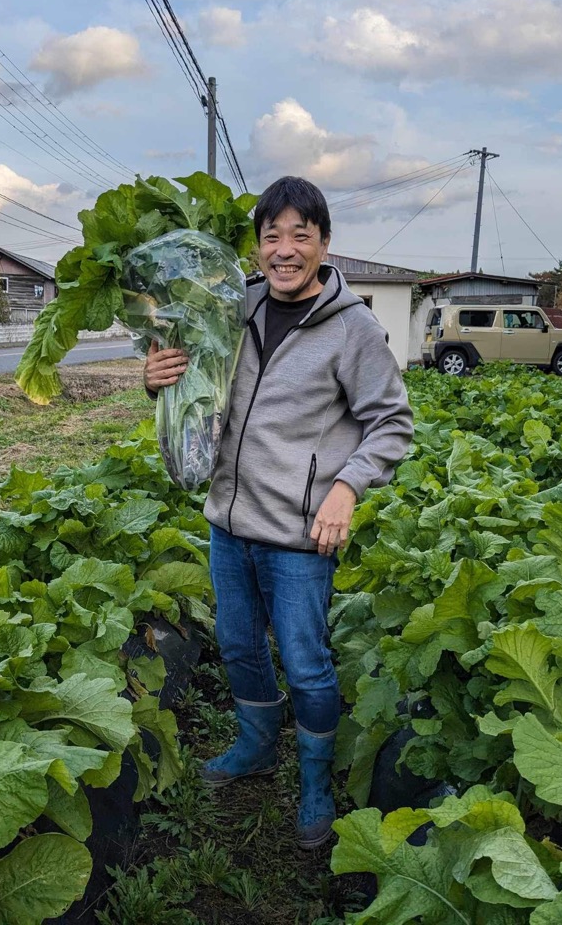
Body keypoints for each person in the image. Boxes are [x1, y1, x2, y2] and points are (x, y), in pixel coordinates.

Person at [144, 176, 413, 849]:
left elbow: (391, 424)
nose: (285, 250)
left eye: (301, 235)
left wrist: (347, 488)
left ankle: (317, 780)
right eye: (272, 236)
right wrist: (157, 380)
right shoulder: (230, 308)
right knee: (237, 645)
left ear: (324, 243)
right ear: (257, 246)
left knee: (306, 661)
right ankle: (257, 745)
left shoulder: (352, 329)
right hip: (228, 524)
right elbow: (194, 385)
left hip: (299, 533)